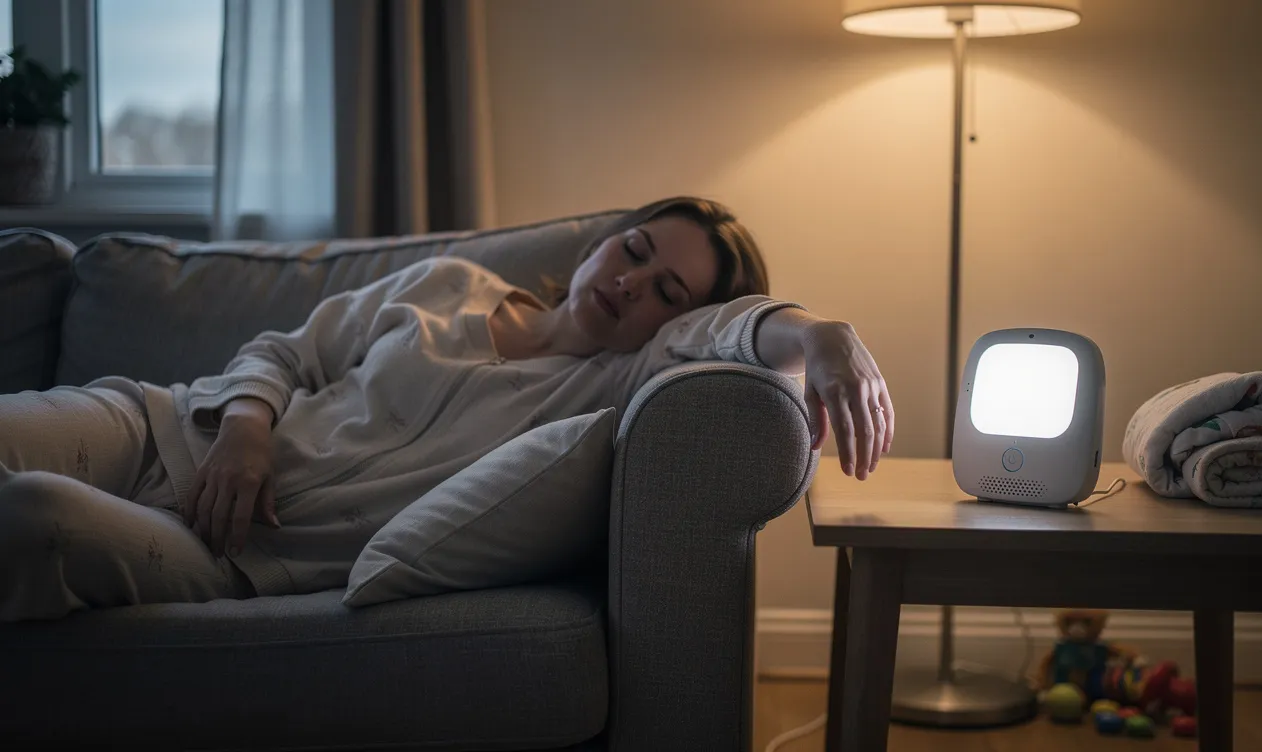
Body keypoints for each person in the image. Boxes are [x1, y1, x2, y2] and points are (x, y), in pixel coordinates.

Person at [0, 196, 893, 622]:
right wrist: (243, 428)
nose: (631, 283)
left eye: (667, 290)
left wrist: (821, 335)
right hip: (165, 425)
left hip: (234, 551)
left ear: (678, 323)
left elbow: (734, 331)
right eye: (633, 251)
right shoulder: (448, 284)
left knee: (34, 518)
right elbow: (286, 352)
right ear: (599, 245)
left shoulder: (612, 387)